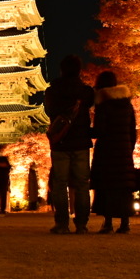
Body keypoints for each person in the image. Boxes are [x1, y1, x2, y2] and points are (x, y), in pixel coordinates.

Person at [44, 54, 95, 234]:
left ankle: (62, 223)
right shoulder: (86, 91)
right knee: (82, 184)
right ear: (79, 70)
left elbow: (49, 111)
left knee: (59, 184)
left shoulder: (52, 90)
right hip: (81, 141)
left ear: (61, 70)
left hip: (60, 142)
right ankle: (81, 224)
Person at [90, 71, 139, 233]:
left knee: (107, 186)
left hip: (107, 151)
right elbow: (133, 131)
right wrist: (128, 148)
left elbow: (99, 130)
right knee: (124, 187)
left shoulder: (103, 104)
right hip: (124, 152)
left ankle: (108, 223)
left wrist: (85, 131)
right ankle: (125, 223)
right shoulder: (127, 104)